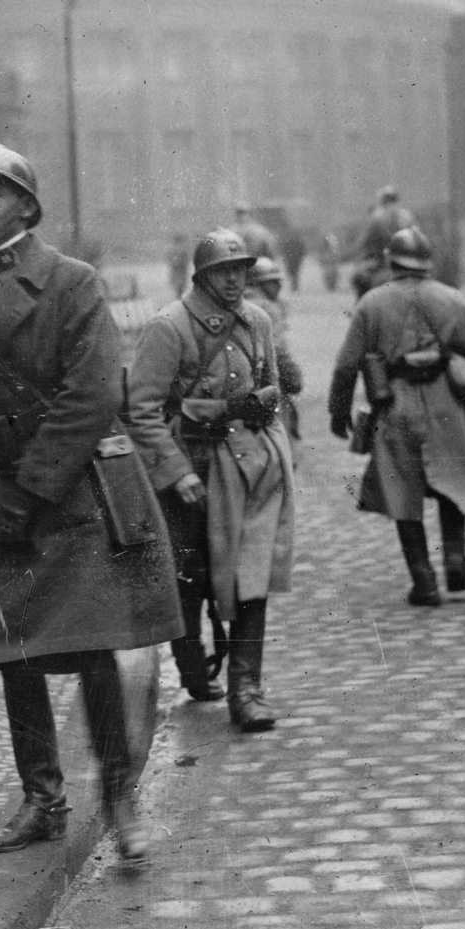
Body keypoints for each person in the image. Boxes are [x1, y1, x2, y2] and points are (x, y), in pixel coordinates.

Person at [0, 144, 183, 861]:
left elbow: (93, 396)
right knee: (13, 653)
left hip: (73, 496)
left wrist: (32, 487)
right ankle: (42, 800)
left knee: (95, 652)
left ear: (27, 206)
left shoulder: (73, 283)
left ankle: (119, 795)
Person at [126, 228, 295, 731]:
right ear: (201, 276)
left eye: (242, 269)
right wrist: (176, 472)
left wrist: (274, 446)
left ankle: (246, 688)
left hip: (248, 467)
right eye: (224, 271)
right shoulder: (170, 326)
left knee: (251, 572)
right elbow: (141, 410)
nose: (235, 280)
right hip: (193, 469)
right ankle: (193, 663)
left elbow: (273, 388)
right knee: (192, 577)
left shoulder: (258, 320)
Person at [328, 226, 465, 605]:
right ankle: (455, 559)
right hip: (447, 401)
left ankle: (424, 581)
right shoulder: (453, 299)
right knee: (452, 479)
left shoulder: (372, 303)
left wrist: (338, 412)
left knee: (402, 490)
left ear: (392, 261)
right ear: (427, 263)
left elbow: (346, 366)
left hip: (395, 403)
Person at [246, 255, 303, 464]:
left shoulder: (239, 302)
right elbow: (276, 350)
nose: (279, 285)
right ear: (258, 283)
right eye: (273, 281)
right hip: (269, 386)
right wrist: (293, 377)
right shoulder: (267, 307)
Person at [353, 186, 414, 299]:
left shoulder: (377, 216)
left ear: (382, 200)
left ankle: (361, 311)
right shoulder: (407, 215)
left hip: (380, 261)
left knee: (360, 279)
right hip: (409, 262)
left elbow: (363, 241)